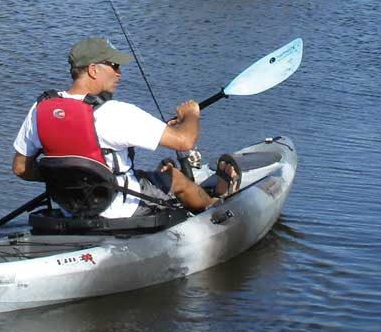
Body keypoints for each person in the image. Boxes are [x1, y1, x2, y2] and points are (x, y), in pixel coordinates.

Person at [12, 36, 239, 218]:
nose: (119, 72)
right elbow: (185, 141)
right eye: (114, 65)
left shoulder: (41, 108)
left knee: (143, 174)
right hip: (120, 207)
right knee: (175, 176)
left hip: (70, 207)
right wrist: (191, 115)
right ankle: (214, 205)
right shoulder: (114, 112)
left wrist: (69, 180)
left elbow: (21, 168)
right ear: (93, 69)